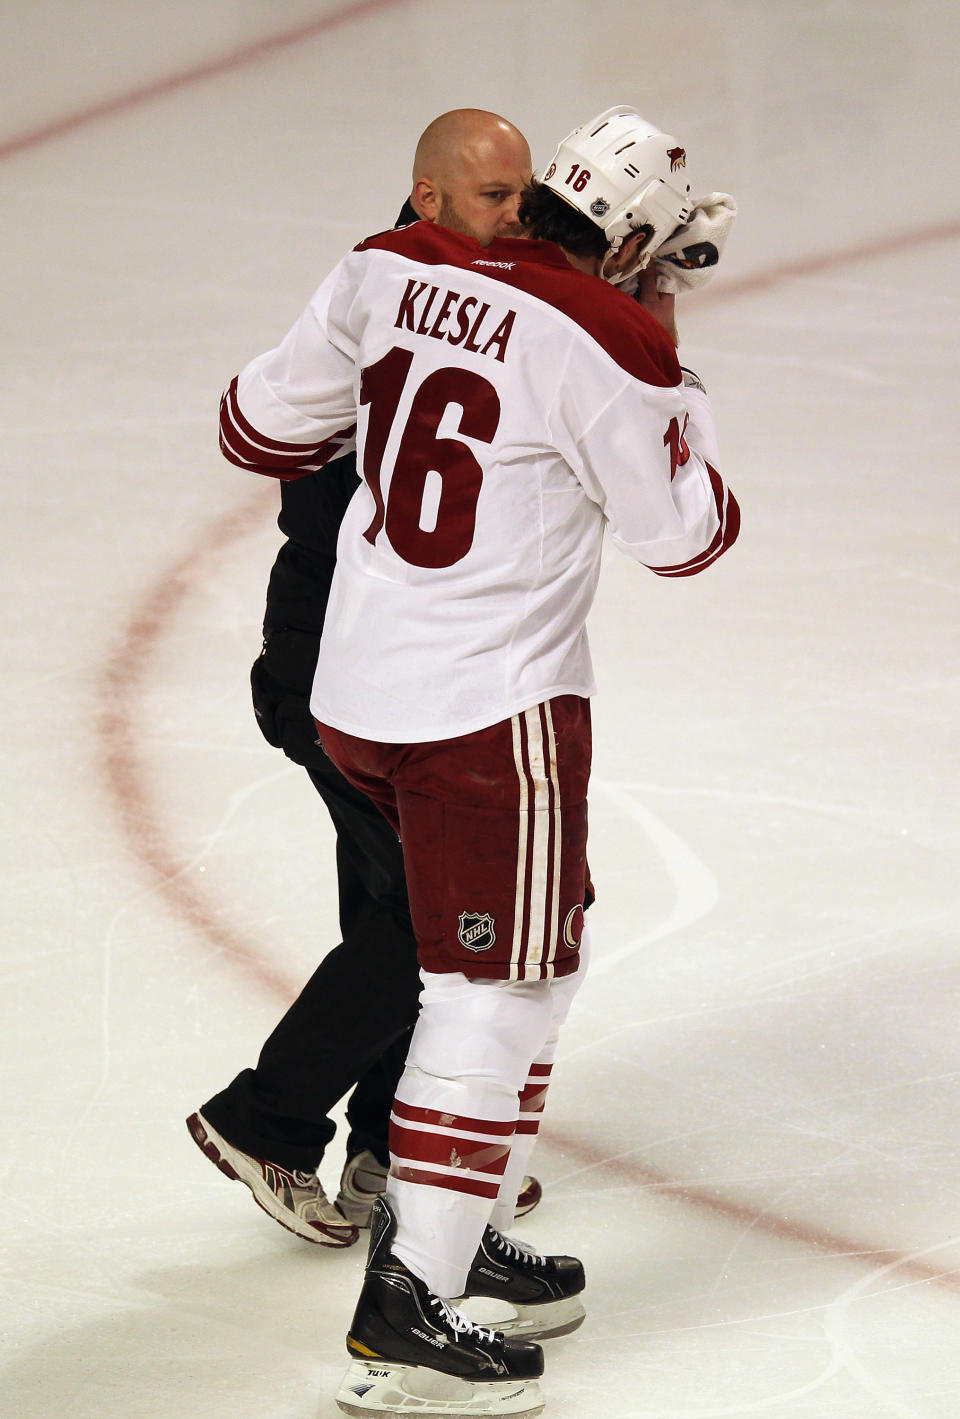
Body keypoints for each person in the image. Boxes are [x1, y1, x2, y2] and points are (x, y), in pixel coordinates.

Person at [218, 105, 740, 1419]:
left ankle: (464, 1222)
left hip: (354, 685)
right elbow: (689, 536)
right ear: (632, 241)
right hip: (485, 713)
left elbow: (257, 429)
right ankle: (410, 1302)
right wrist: (666, 353)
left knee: (532, 947)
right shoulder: (612, 336)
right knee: (497, 989)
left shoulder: (389, 260)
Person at [188, 110, 543, 1248]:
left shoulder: (439, 304)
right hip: (344, 674)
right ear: (427, 205)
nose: (518, 221)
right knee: (433, 921)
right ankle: (273, 1118)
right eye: (495, 201)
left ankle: (388, 1149)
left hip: (380, 672)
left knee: (400, 908)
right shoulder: (387, 322)